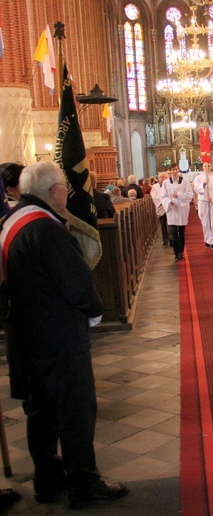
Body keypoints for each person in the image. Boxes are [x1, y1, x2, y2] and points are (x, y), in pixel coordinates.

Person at [0, 161, 127, 509]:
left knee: (41, 411)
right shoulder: (46, 229)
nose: (67, 194)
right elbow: (76, 282)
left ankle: (48, 479)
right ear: (54, 191)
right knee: (75, 410)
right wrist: (93, 311)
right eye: (64, 188)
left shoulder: (12, 219)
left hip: (27, 334)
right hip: (58, 336)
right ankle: (84, 485)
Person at [161, 163, 193, 261]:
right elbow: (163, 196)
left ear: (178, 170)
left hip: (182, 209)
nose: (174, 171)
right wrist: (168, 202)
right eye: (173, 169)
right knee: (174, 231)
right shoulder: (166, 183)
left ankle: (181, 251)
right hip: (172, 209)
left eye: (176, 169)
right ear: (170, 171)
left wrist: (178, 194)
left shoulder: (185, 182)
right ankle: (176, 252)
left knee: (181, 231)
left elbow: (190, 194)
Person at [193, 162, 213, 249]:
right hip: (203, 201)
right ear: (202, 167)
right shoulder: (198, 177)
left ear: (211, 166)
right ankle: (207, 239)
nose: (207, 167)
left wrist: (212, 196)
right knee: (205, 221)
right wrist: (204, 184)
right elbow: (196, 188)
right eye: (205, 166)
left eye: (209, 165)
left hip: (212, 202)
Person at [151, 172, 170, 246]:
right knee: (163, 224)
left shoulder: (169, 185)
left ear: (166, 178)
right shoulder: (155, 186)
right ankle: (165, 239)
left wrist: (166, 201)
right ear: (158, 178)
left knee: (170, 224)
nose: (162, 178)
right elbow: (154, 196)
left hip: (168, 206)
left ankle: (171, 239)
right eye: (160, 177)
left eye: (163, 177)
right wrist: (162, 201)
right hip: (160, 207)